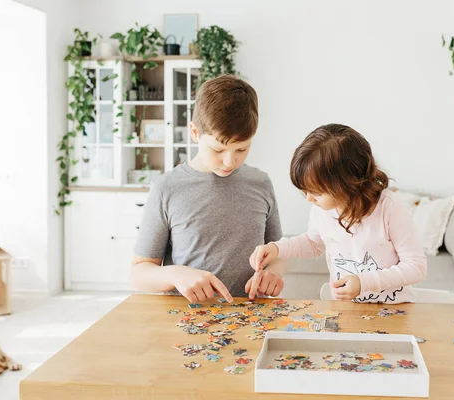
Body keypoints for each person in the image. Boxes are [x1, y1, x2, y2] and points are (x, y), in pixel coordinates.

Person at [132, 75, 285, 303]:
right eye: (218, 149)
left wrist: (274, 273)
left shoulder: (261, 183)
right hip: (186, 320)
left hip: (250, 316)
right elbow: (138, 273)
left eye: (241, 150)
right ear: (195, 133)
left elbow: (279, 252)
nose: (229, 162)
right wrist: (175, 273)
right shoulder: (167, 188)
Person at [249, 123, 426, 303]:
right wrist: (277, 248)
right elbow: (312, 243)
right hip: (346, 311)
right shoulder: (321, 211)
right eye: (305, 191)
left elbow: (416, 266)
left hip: (394, 313)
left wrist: (364, 282)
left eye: (316, 192)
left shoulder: (390, 208)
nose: (309, 199)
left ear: (346, 184)